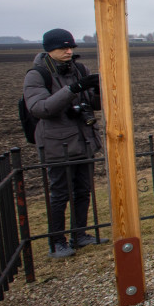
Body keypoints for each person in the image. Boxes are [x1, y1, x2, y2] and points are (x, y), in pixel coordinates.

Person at [23, 28, 107, 258]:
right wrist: (73, 89)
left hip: (84, 140)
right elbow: (41, 108)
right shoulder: (37, 75)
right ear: (49, 50)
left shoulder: (79, 69)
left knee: (83, 190)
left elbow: (95, 103)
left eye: (71, 47)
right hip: (57, 144)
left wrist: (100, 88)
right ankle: (56, 241)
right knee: (60, 194)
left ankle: (79, 234)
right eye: (63, 48)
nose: (69, 51)